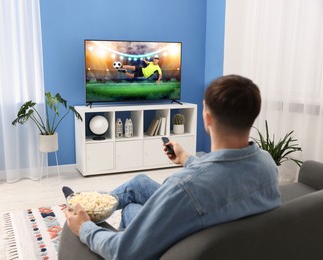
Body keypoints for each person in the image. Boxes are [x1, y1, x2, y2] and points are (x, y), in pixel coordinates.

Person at [62, 74, 281, 259]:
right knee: (138, 183)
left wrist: (84, 229)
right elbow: (222, 173)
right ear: (252, 116)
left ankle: (86, 215)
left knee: (129, 209)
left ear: (207, 118)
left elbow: (123, 252)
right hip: (214, 229)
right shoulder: (267, 163)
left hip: (182, 240)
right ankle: (94, 205)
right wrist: (186, 158)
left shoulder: (183, 186)